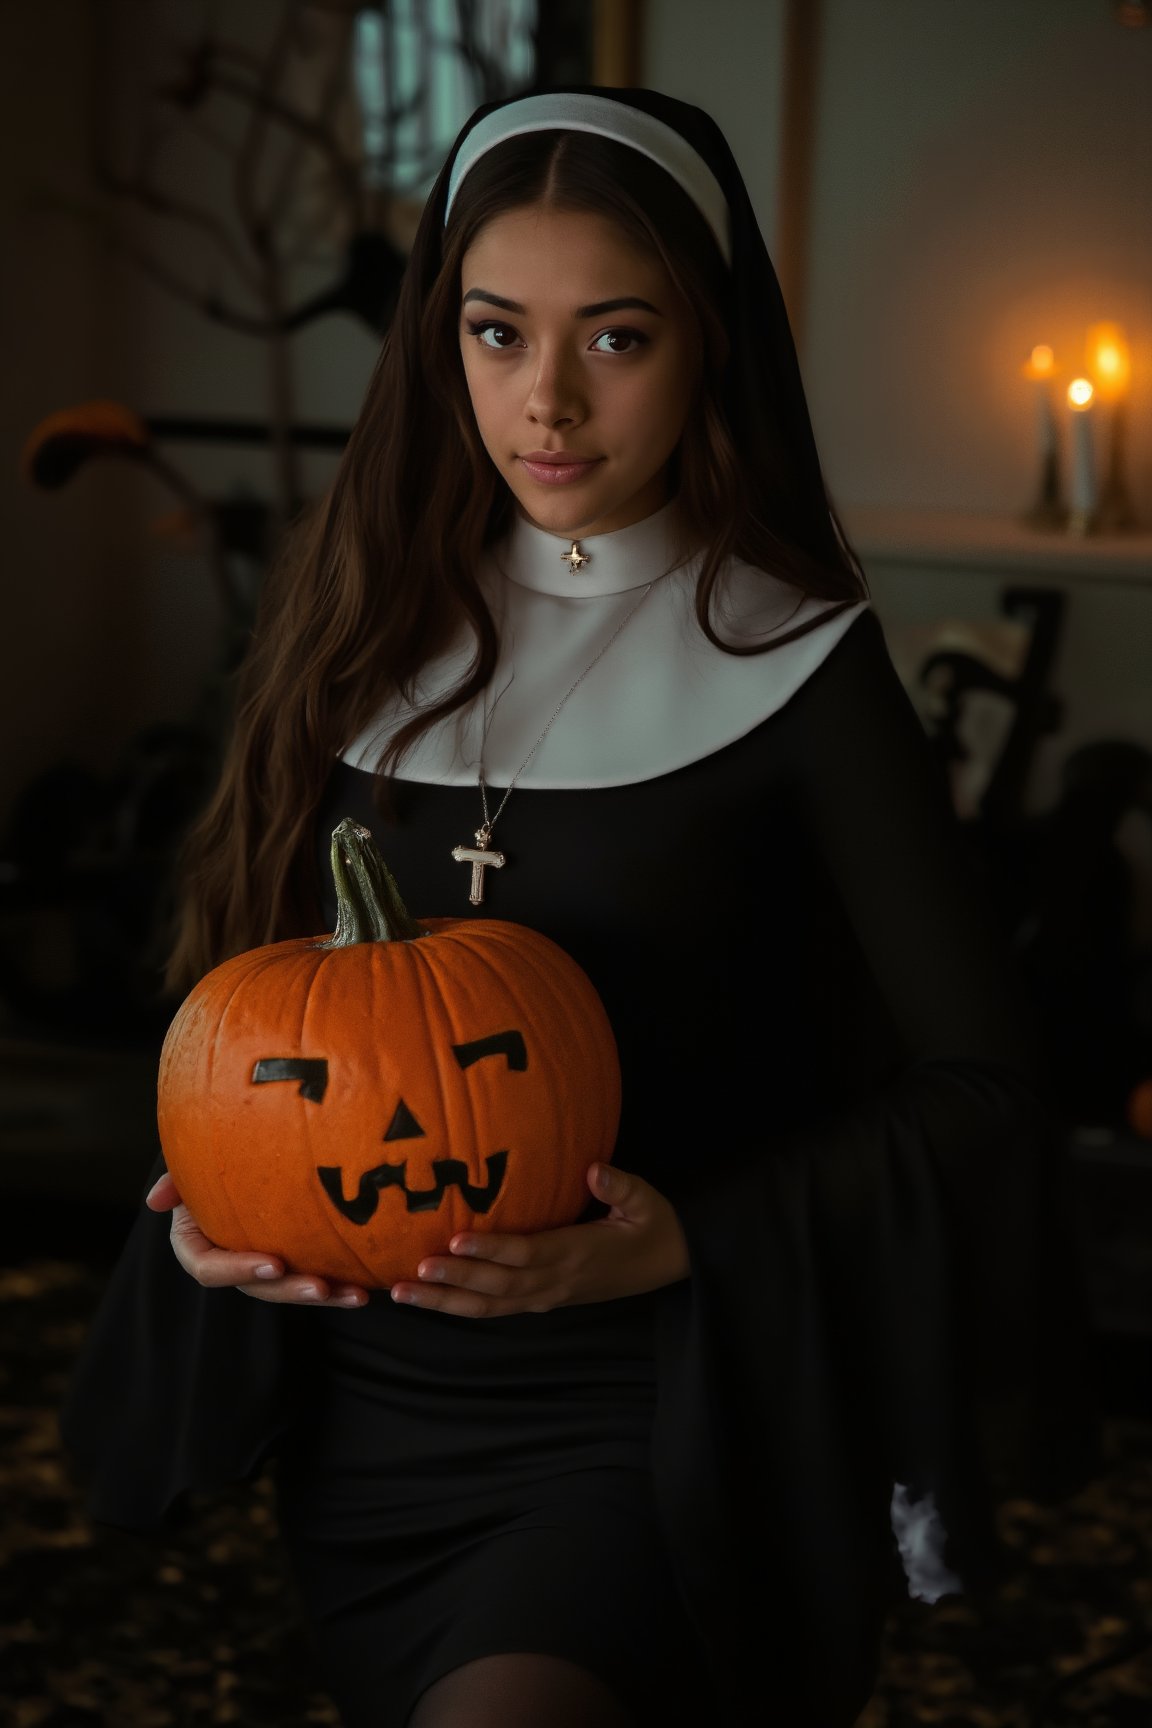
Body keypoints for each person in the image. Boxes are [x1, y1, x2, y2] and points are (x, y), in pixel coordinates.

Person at [59, 85, 1096, 1728]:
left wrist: (686, 1239)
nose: (544, 403)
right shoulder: (355, 632)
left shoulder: (800, 663)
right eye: (494, 334)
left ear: (712, 346)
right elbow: (265, 1021)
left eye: (614, 338)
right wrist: (223, 1217)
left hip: (647, 1402)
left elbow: (986, 1101)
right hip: (372, 1417)